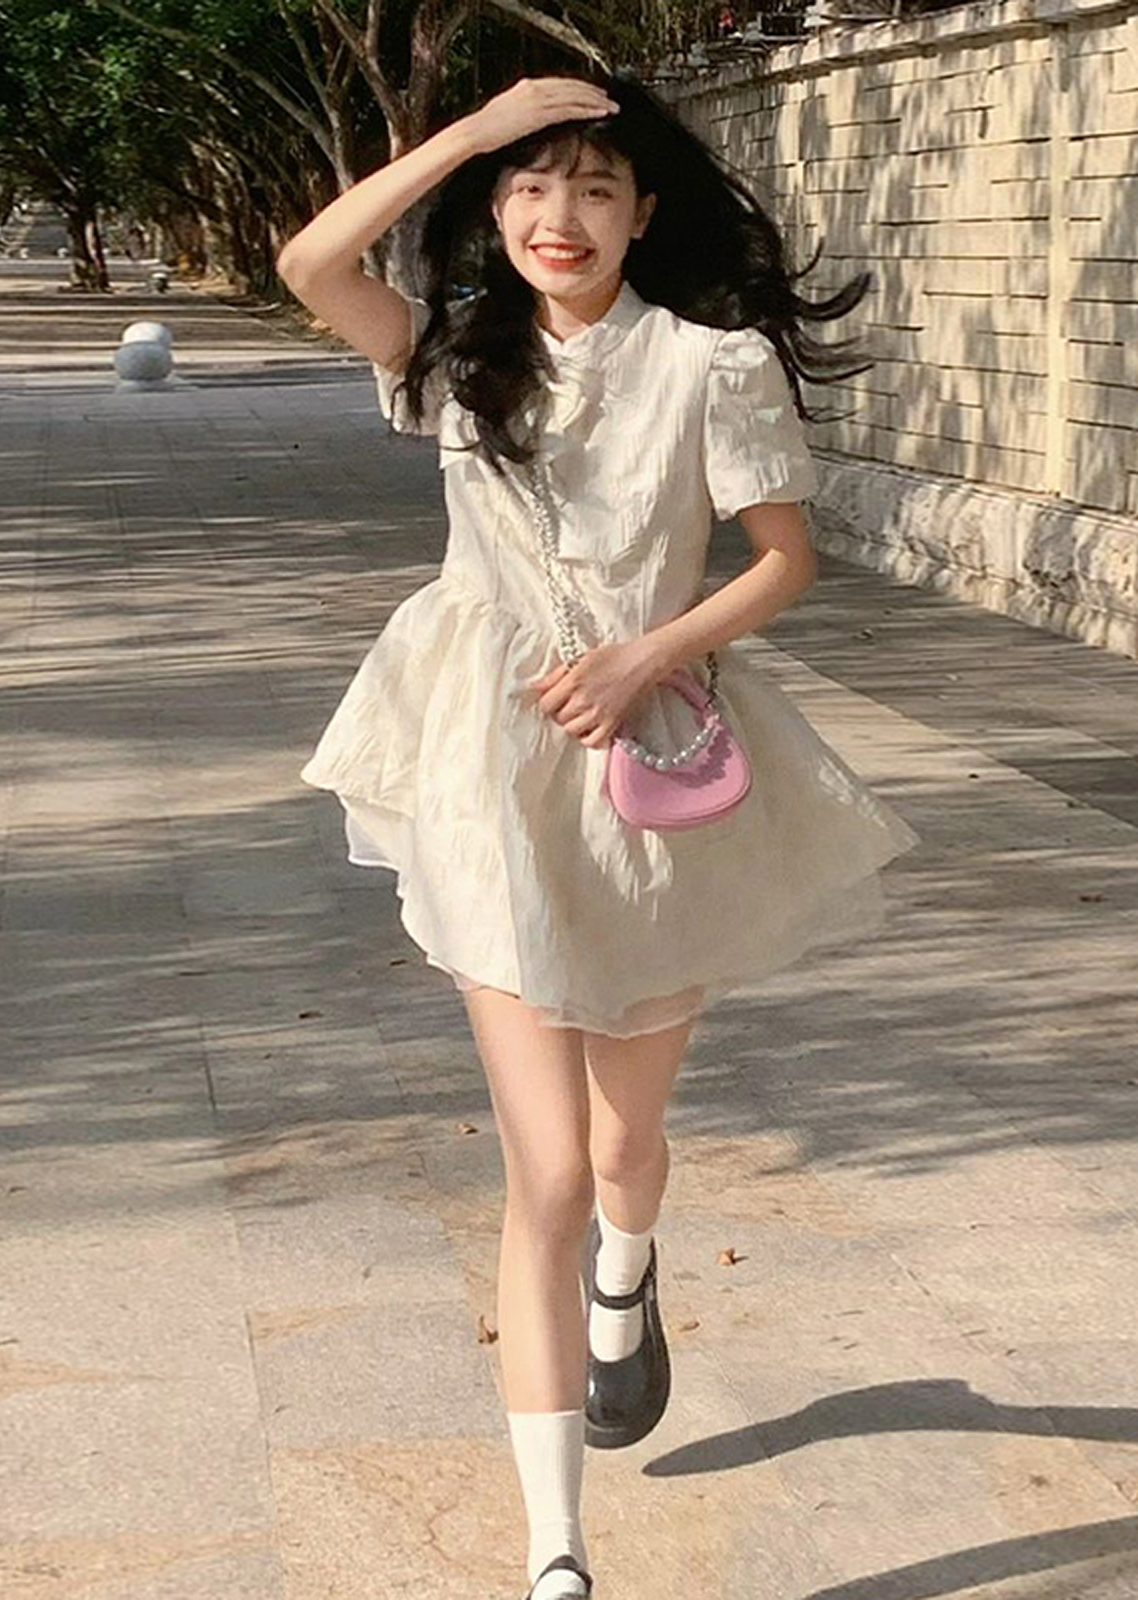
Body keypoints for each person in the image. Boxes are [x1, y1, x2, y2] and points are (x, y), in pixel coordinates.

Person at [277, 71, 920, 1600]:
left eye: (592, 187)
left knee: (626, 1148)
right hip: (482, 770)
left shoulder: (710, 364)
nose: (556, 215)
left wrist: (651, 653)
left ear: (643, 215)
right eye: (530, 187)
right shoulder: (456, 358)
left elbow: (783, 560)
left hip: (645, 762)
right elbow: (312, 265)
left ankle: (630, 1281)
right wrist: (471, 131)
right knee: (550, 1171)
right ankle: (557, 1553)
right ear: (495, 210)